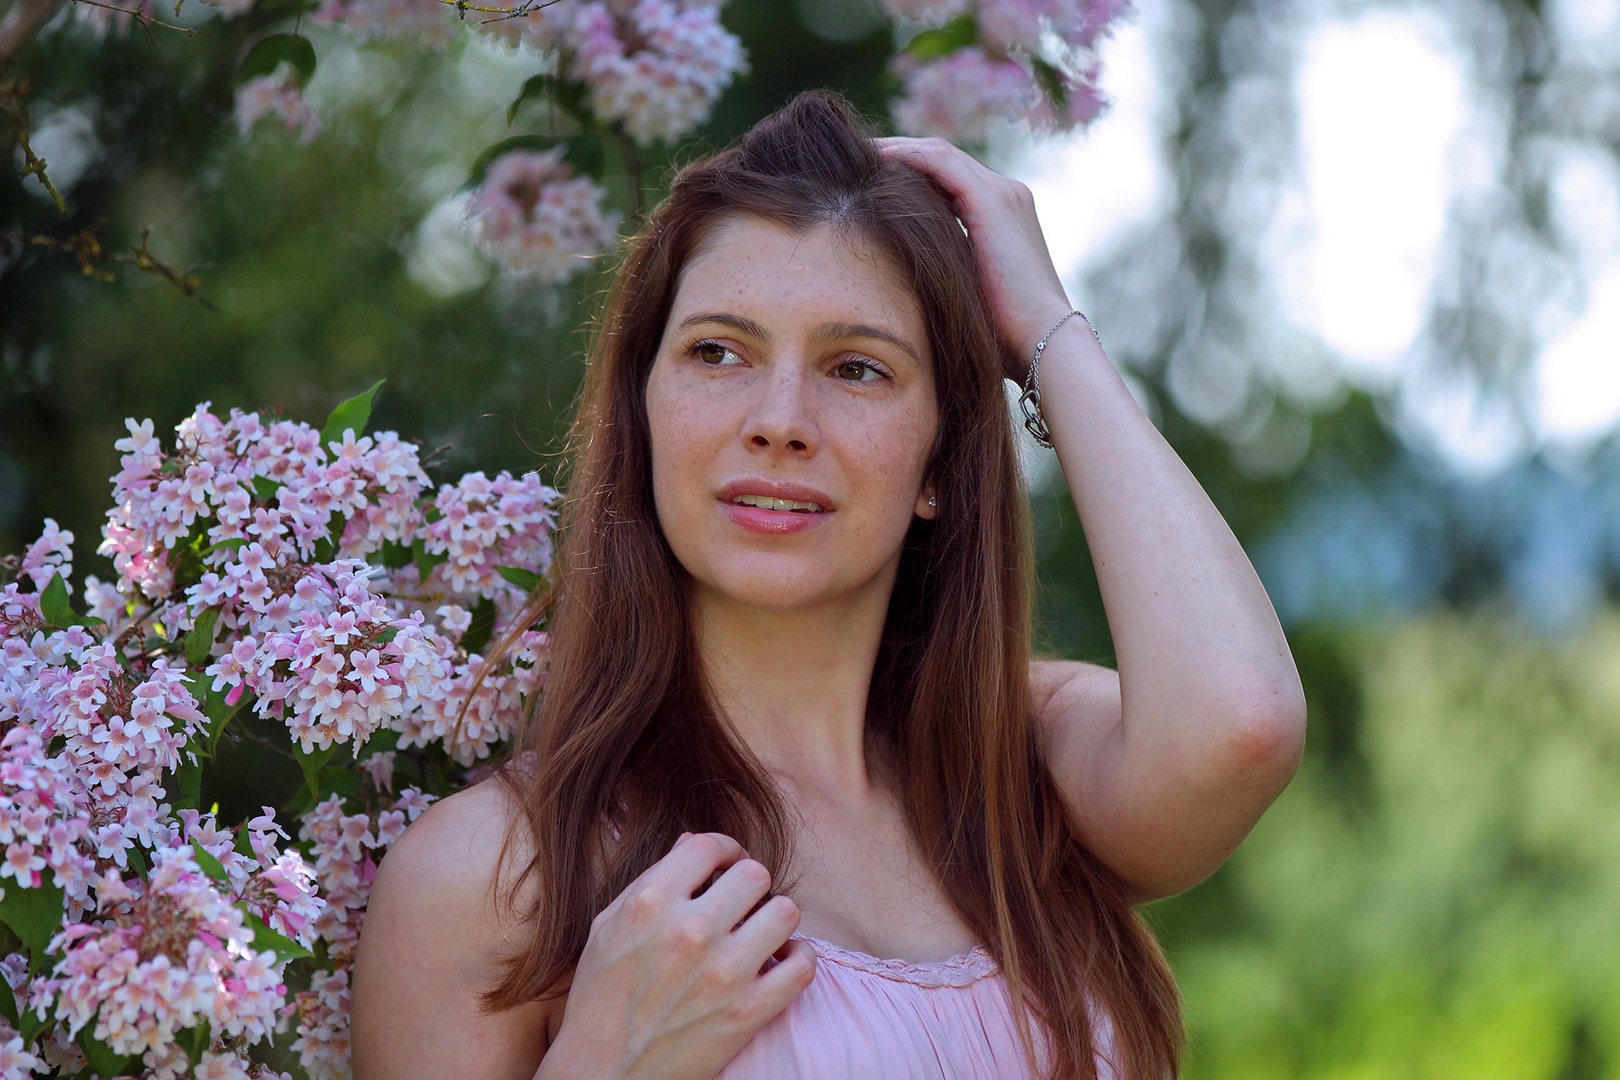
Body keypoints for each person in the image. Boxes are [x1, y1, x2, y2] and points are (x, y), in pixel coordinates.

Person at [350, 91, 1306, 1080]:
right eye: (717, 351)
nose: (780, 418)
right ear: (645, 419)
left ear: (940, 462)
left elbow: (1240, 723)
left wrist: (1049, 334)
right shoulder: (496, 874)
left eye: (857, 368)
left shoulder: (1024, 772)